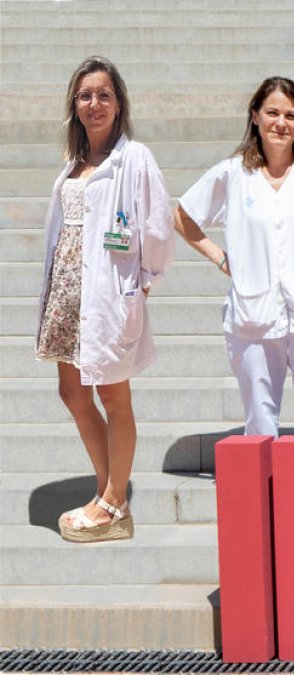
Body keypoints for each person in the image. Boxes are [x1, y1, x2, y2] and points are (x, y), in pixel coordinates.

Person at [175, 77, 294, 514]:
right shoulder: (233, 174)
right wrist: (221, 258)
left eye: (290, 115)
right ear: (255, 116)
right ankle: (268, 508)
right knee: (260, 421)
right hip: (253, 319)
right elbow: (182, 216)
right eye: (273, 113)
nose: (281, 123)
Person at [37, 56, 174, 542]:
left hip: (109, 295)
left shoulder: (134, 159)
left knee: (114, 396)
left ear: (119, 104)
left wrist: (143, 283)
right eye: (85, 95)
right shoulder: (73, 164)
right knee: (72, 393)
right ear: (74, 105)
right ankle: (106, 491)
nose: (94, 104)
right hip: (68, 296)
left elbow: (158, 225)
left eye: (103, 95)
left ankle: (115, 505)